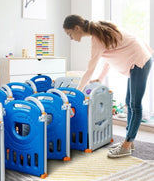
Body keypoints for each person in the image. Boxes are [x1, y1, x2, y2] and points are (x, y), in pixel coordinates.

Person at [63, 14, 153, 158]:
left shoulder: (97, 38)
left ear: (77, 28)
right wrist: (100, 78)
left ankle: (127, 144)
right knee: (129, 104)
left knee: (135, 105)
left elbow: (89, 70)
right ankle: (129, 142)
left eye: (70, 34)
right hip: (136, 62)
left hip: (140, 61)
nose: (71, 38)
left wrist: (77, 93)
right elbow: (107, 58)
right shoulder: (100, 30)